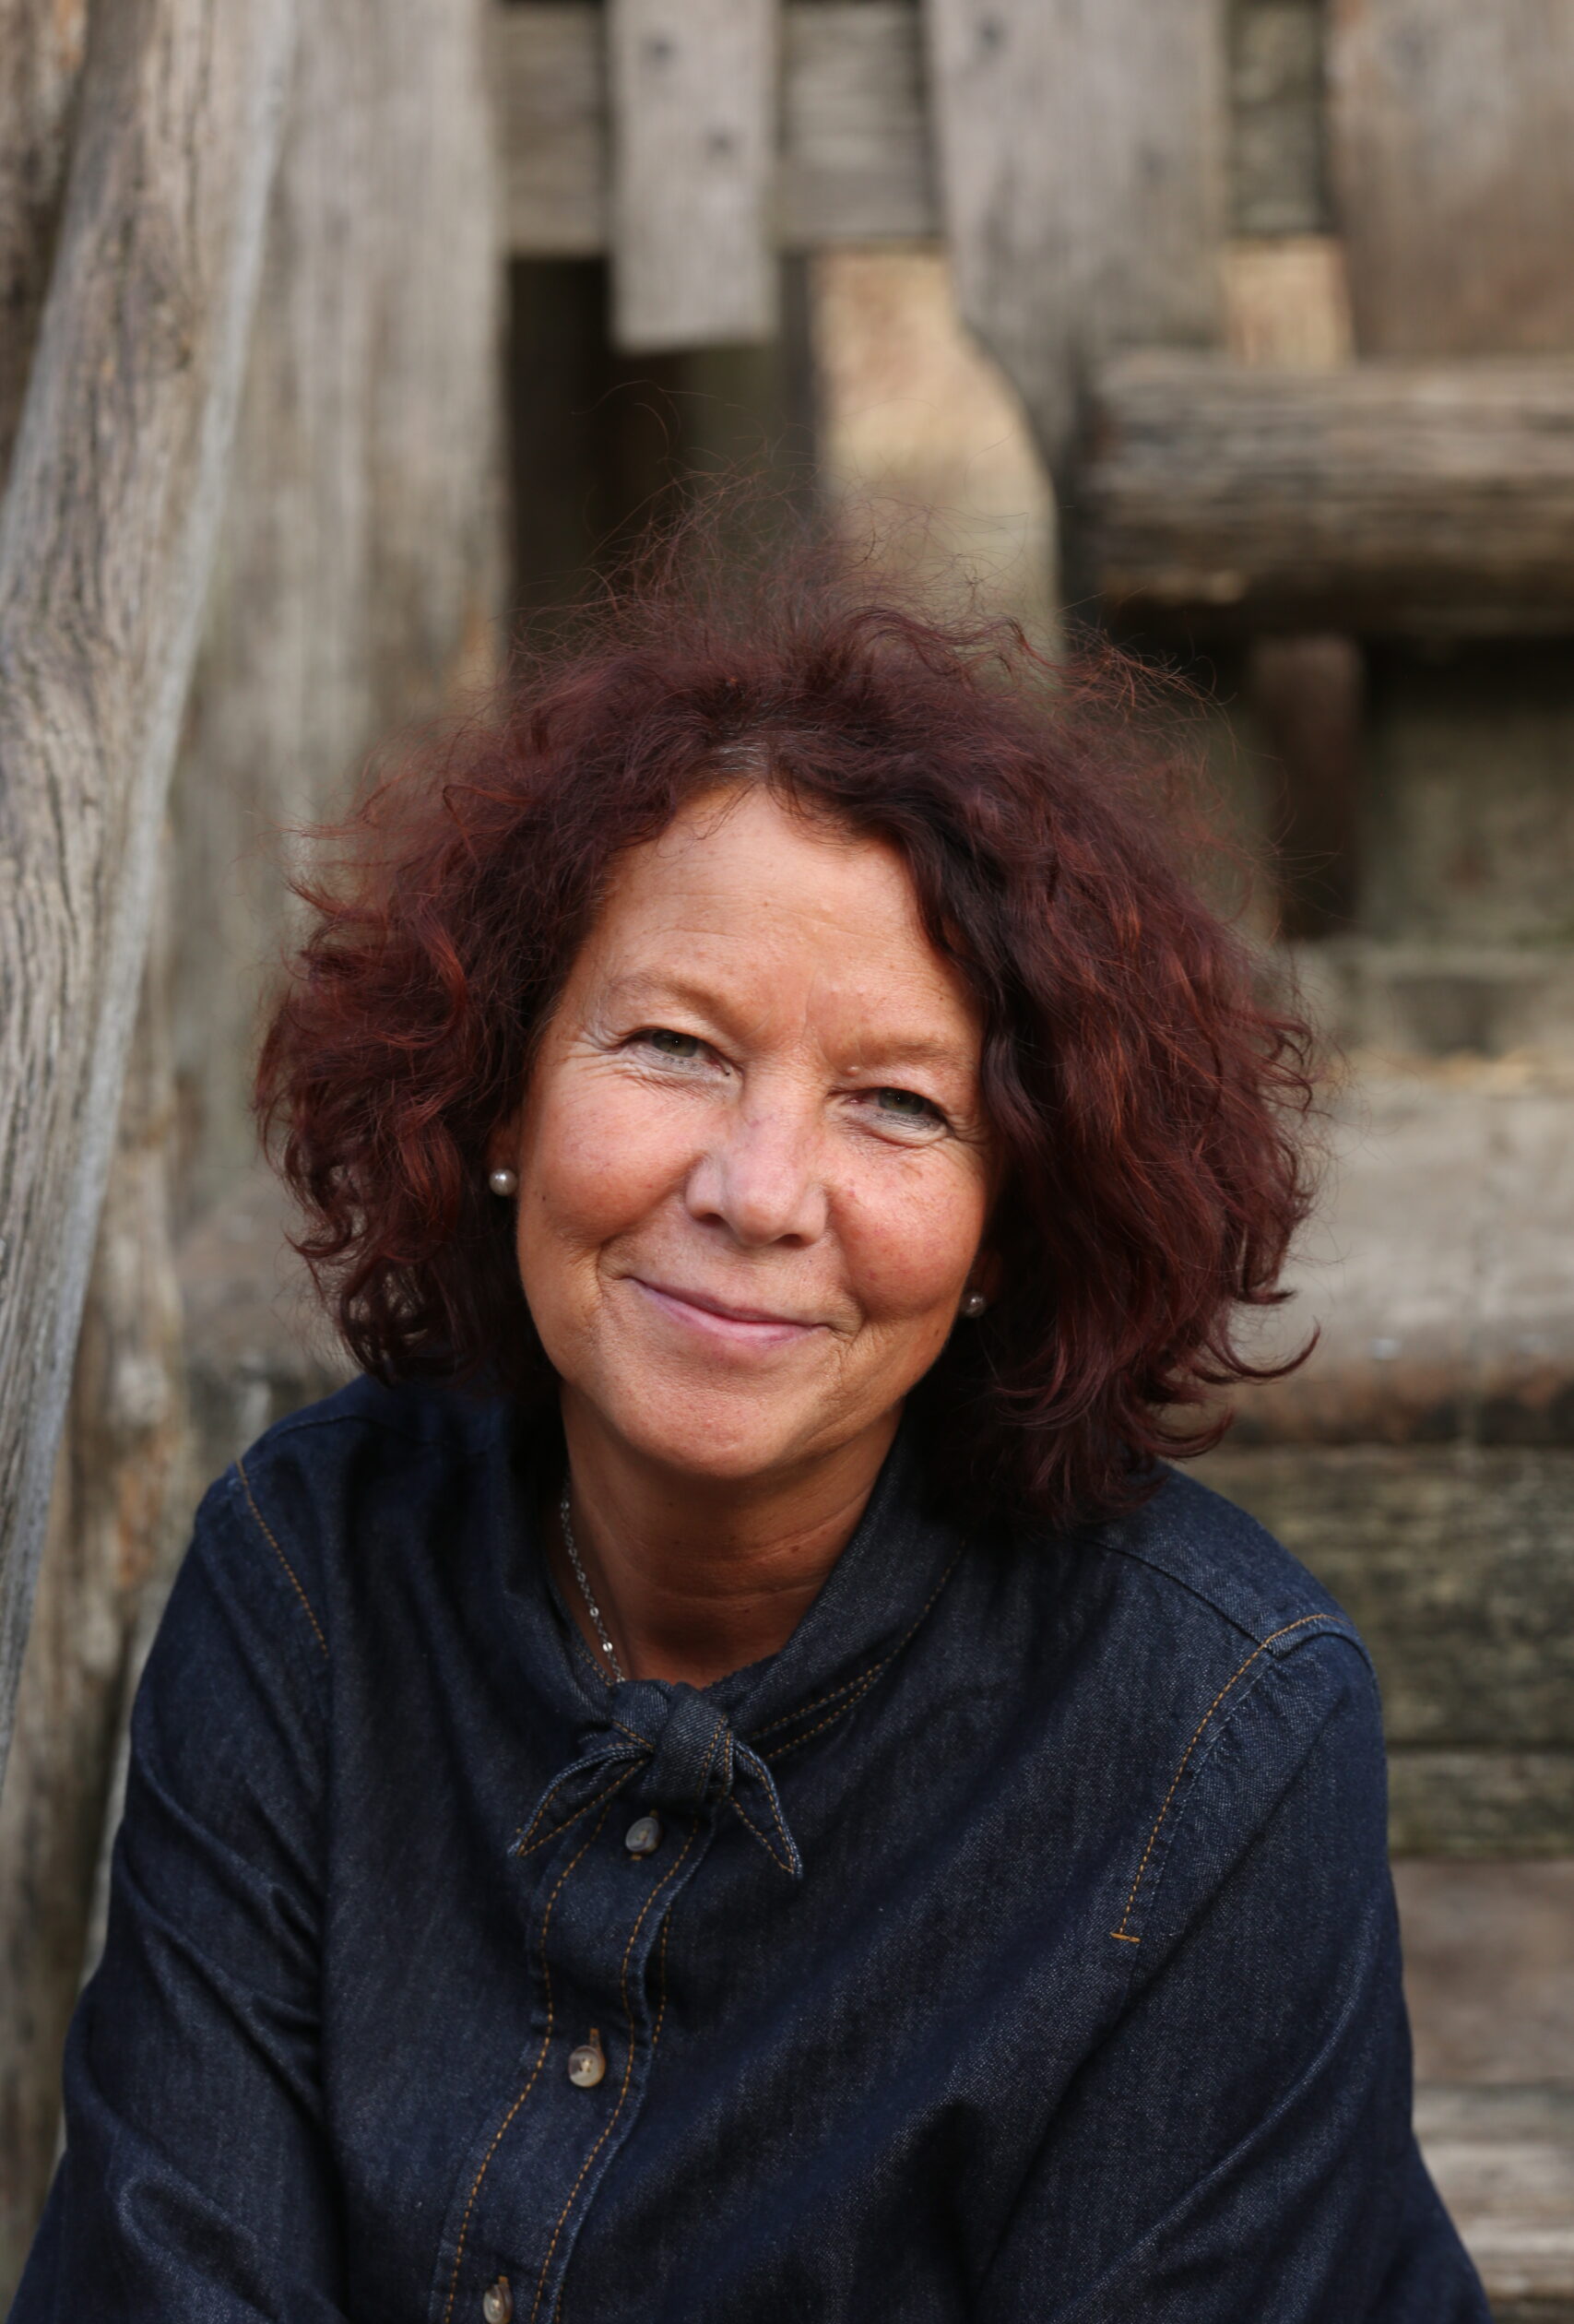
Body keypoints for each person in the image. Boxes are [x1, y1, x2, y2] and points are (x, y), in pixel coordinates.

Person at [14, 538, 1488, 2322]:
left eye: (898, 1104)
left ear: (1010, 1228)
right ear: (499, 1094)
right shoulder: (307, 1575)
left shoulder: (1212, 1735)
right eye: (672, 1045)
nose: (760, 1190)